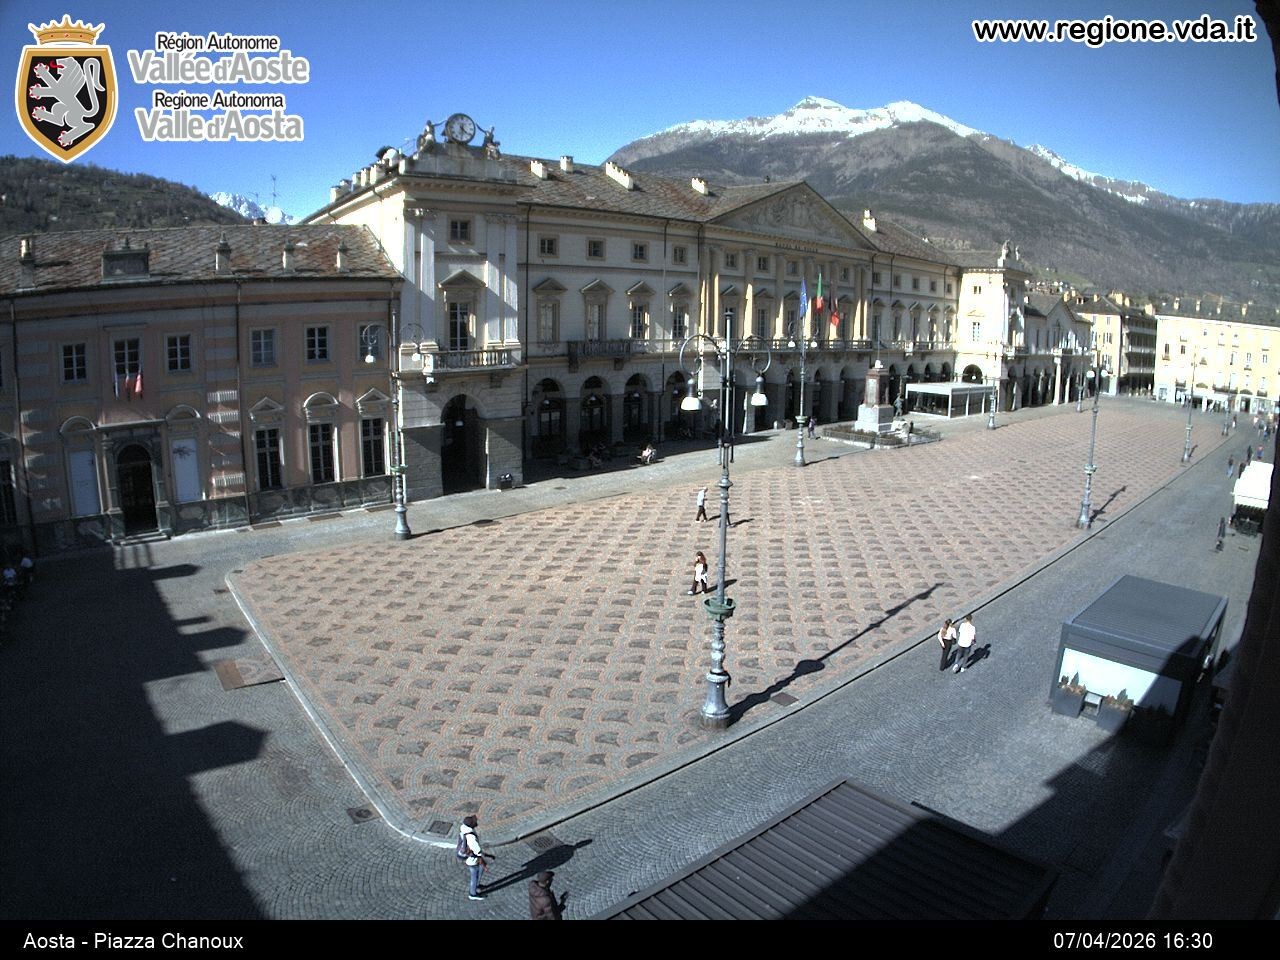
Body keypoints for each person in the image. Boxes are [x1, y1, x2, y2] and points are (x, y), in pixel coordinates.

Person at [460, 815, 487, 900]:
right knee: (474, 877)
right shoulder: (471, 836)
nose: (476, 822)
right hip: (472, 860)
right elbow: (477, 850)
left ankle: (476, 885)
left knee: (479, 870)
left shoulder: (465, 830)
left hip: (471, 858)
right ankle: (472, 894)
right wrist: (482, 856)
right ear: (471, 825)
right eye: (474, 822)